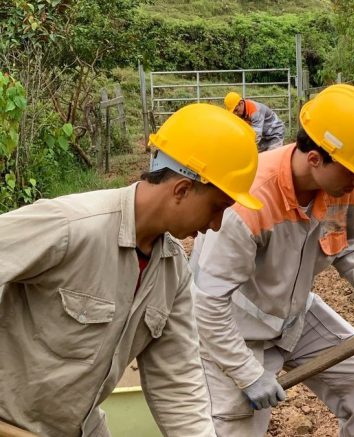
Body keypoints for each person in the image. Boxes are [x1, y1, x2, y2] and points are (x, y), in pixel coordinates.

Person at [0, 103, 263, 436]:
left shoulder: (173, 273)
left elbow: (178, 383)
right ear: (182, 189)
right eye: (217, 208)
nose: (216, 225)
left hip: (82, 427)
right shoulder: (72, 226)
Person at [191, 84, 354, 437]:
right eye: (353, 171)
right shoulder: (248, 201)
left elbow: (349, 244)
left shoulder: (346, 188)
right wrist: (247, 373)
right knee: (235, 427)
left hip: (295, 316)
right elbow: (207, 303)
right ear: (315, 159)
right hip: (233, 329)